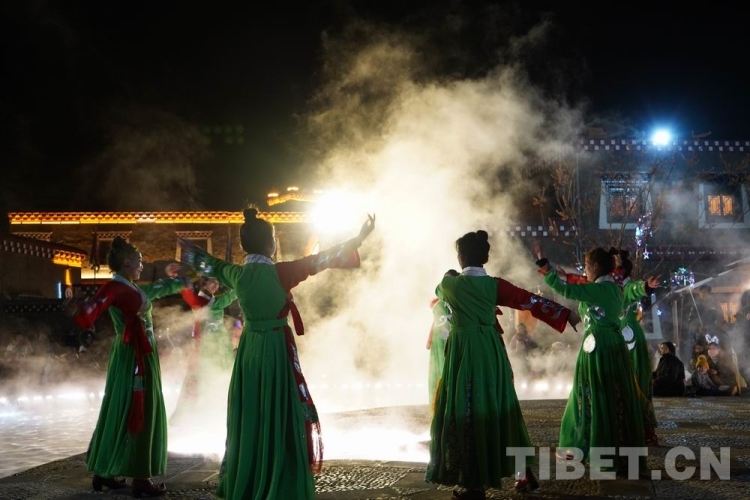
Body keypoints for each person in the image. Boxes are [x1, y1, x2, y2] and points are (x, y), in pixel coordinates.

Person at [179, 208, 375, 500]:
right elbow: (321, 260)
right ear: (271, 243)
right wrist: (357, 239)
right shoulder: (281, 272)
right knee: (280, 409)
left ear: (244, 245)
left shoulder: (237, 274)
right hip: (275, 347)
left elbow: (209, 263)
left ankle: (248, 475)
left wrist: (188, 250)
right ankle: (279, 475)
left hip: (249, 351)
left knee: (251, 411)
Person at [425, 230, 579, 498]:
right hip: (492, 352)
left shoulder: (449, 286)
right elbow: (530, 300)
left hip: (464, 354)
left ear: (461, 257)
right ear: (485, 257)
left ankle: (474, 485)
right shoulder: (496, 286)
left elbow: (439, 292)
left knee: (468, 410)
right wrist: (565, 314)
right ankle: (522, 470)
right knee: (502, 407)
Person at [69, 236, 187, 496]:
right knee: (138, 409)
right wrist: (79, 311)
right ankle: (141, 478)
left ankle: (105, 472)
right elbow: (92, 309)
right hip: (134, 355)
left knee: (122, 408)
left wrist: (175, 281)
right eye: (140, 261)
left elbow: (154, 290)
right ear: (127, 262)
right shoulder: (114, 288)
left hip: (140, 352)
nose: (142, 266)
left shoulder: (130, 287)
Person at [535, 247, 645, 475]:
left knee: (588, 394)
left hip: (597, 347)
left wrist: (547, 271)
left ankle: (580, 446)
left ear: (595, 266)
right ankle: (619, 451)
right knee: (615, 397)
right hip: (615, 345)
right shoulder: (614, 289)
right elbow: (581, 287)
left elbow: (566, 289)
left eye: (586, 265)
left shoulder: (596, 290)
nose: (584, 270)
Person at [171, 277, 237, 421]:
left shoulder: (209, 299)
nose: (216, 284)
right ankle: (192, 413)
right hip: (204, 346)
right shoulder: (201, 300)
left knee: (218, 375)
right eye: (212, 281)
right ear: (204, 283)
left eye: (217, 282)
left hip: (218, 345)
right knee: (199, 376)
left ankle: (216, 410)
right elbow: (222, 300)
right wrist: (237, 286)